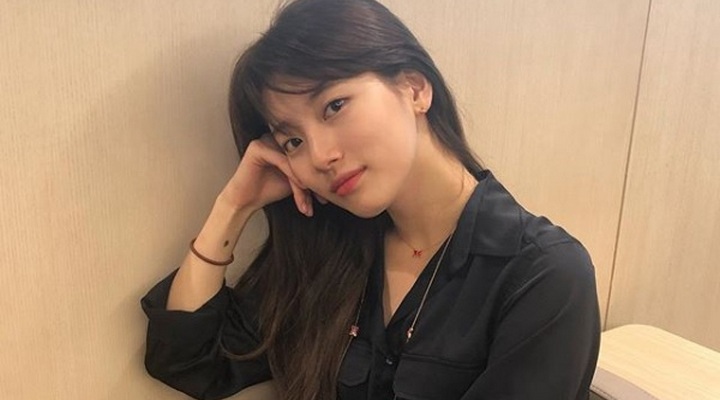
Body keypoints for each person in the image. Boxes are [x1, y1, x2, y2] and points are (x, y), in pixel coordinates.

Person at [141, 0, 601, 399]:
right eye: (292, 141)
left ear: (415, 88)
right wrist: (234, 206)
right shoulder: (329, 253)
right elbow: (189, 360)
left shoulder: (541, 275)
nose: (320, 156)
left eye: (334, 106)